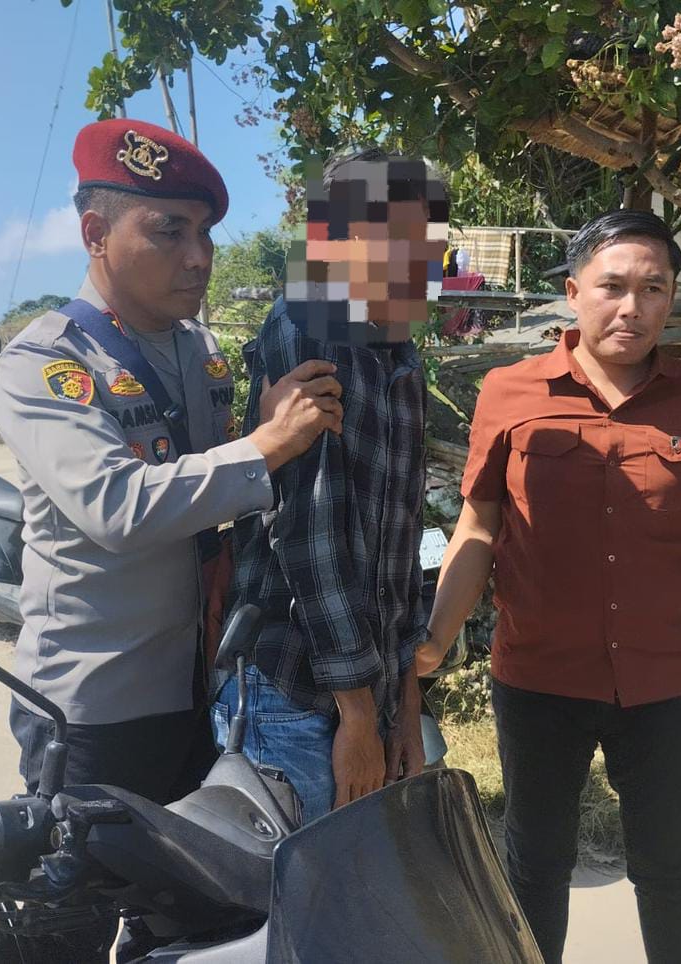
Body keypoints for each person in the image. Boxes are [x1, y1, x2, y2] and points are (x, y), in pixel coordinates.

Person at [416, 210, 681, 963]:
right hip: (538, 678)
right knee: (536, 863)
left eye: (654, 289)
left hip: (664, 682)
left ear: (670, 298)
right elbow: (478, 527)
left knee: (669, 868)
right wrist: (432, 646)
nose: (632, 307)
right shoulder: (509, 392)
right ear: (573, 292)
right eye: (612, 286)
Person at [0, 118, 343, 804]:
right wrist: (268, 444)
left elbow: (208, 478)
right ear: (96, 234)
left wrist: (258, 433)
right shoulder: (47, 360)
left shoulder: (198, 351)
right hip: (95, 703)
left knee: (194, 870)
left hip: (198, 679)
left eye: (204, 233)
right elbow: (116, 507)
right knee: (89, 874)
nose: (199, 257)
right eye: (170, 231)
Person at [215, 149, 448, 821]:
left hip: (372, 695)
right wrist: (357, 717)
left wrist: (405, 704)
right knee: (295, 884)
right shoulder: (307, 326)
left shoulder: (402, 360)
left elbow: (401, 548)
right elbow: (311, 533)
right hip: (294, 695)